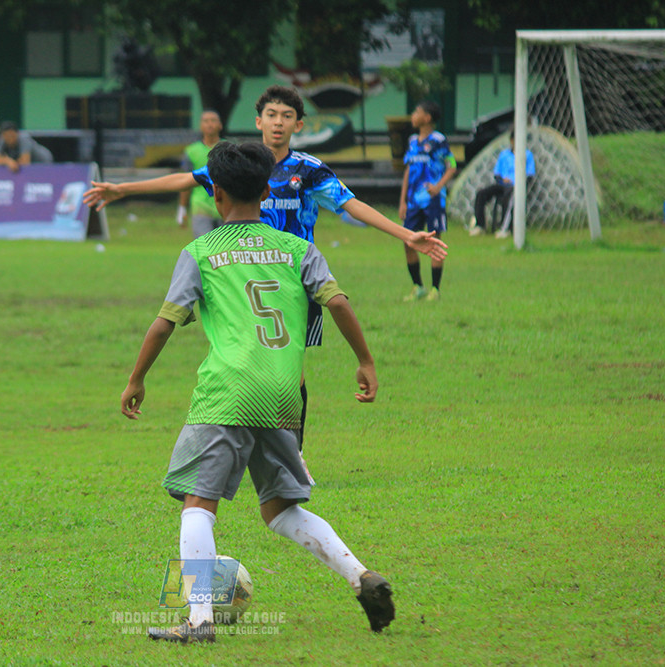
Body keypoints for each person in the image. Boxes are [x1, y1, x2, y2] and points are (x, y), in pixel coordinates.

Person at [120, 142, 395, 644]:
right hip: (283, 395)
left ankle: (198, 620)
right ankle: (362, 578)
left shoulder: (200, 252)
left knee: (198, 504)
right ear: (268, 191)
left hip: (228, 393)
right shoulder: (297, 249)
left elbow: (164, 324)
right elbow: (337, 303)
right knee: (280, 509)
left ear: (216, 193)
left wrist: (137, 378)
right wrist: (365, 360)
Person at [85, 85, 447, 453]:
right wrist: (124, 189)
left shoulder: (308, 171)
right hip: (242, 277)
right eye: (272, 115)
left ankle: (295, 453)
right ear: (258, 121)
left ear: (299, 125)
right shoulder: (240, 162)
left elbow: (350, 204)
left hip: (296, 280)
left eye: (287, 116)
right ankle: (248, 444)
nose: (278, 123)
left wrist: (406, 235)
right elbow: (189, 179)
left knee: (293, 372)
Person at [398, 100, 457, 302]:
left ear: (427, 118)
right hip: (413, 201)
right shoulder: (413, 140)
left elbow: (452, 165)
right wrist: (403, 201)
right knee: (408, 241)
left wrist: (439, 186)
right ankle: (418, 286)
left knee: (434, 242)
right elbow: (408, 170)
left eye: (416, 112)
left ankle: (435, 289)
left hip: (433, 201)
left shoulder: (439, 140)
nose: (413, 115)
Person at [468, 129, 535, 238]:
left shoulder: (528, 155)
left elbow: (530, 175)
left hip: (516, 186)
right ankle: (480, 226)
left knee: (509, 197)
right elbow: (497, 173)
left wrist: (518, 182)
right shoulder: (504, 154)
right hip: (502, 184)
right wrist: (502, 180)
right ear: (511, 140)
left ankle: (505, 228)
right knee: (481, 193)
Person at [176, 110, 224, 238]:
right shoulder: (191, 151)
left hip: (225, 208)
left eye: (213, 121)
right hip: (200, 208)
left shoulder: (227, 149)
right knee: (205, 249)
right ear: (201, 126)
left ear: (220, 125)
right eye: (206, 121)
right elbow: (185, 181)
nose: (210, 124)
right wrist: (182, 207)